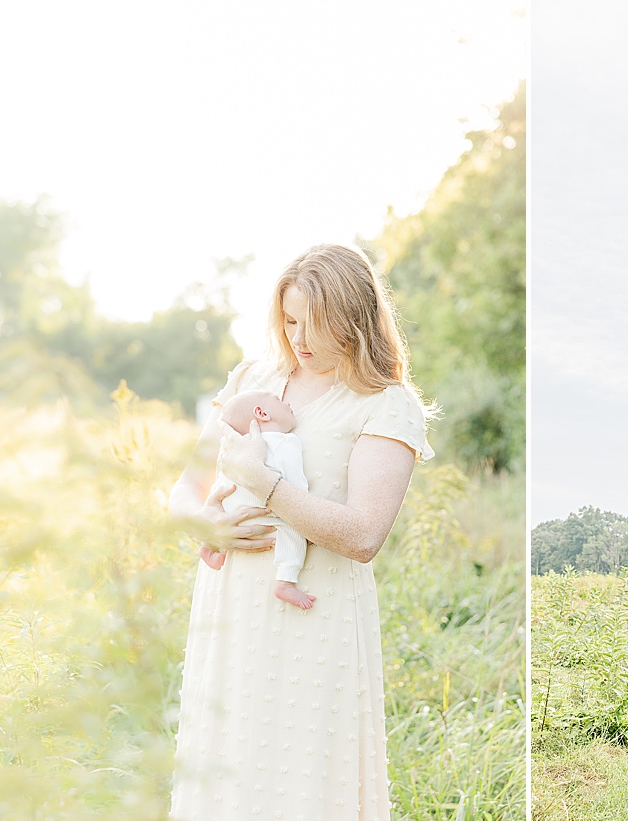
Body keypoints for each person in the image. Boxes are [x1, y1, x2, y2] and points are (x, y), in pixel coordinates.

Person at [168, 244, 434, 820]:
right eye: (290, 321)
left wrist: (263, 486)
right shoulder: (253, 378)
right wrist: (206, 524)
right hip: (231, 607)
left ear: (356, 319)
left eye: (316, 325)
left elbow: (364, 535)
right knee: (226, 768)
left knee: (303, 775)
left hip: (316, 614)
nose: (300, 339)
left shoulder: (386, 404)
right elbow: (185, 490)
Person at [199, 389, 315, 611]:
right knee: (293, 533)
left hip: (233, 510)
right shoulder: (285, 442)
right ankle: (286, 581)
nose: (288, 404)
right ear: (261, 412)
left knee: (221, 517)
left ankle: (209, 547)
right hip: (264, 512)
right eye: (279, 401)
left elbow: (220, 479)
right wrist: (306, 521)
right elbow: (296, 485)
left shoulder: (236, 445)